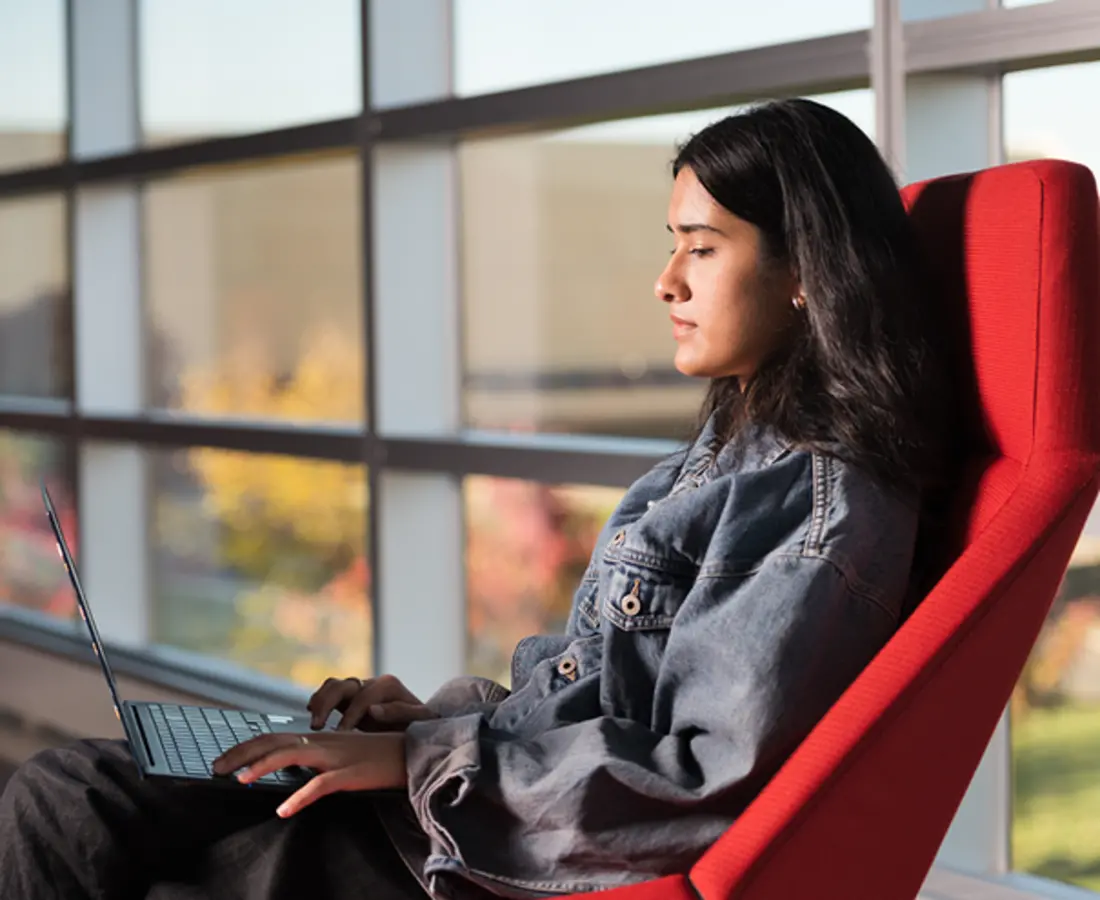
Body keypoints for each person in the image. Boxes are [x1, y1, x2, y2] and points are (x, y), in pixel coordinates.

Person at [0, 98, 958, 900]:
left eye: (702, 250)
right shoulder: (728, 450)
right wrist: (419, 724)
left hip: (479, 854)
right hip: (469, 798)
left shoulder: (819, 499)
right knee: (66, 788)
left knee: (118, 841)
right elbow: (594, 698)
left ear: (804, 274)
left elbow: (702, 776)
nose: (665, 282)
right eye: (673, 246)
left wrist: (422, 764)